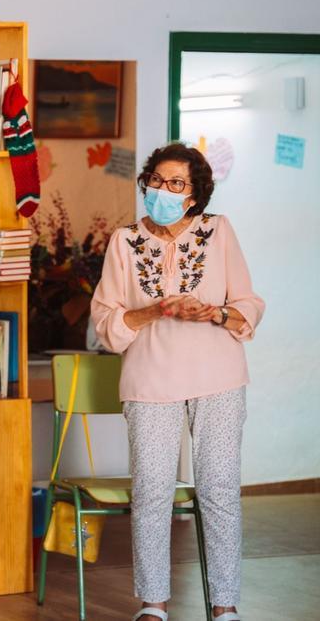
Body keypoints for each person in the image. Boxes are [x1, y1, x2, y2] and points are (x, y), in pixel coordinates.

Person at [91, 143, 265, 621]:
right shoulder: (123, 242)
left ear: (194, 195)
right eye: (156, 181)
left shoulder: (219, 231)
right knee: (151, 491)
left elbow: (249, 303)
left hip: (219, 378)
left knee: (220, 489)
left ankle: (225, 605)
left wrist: (216, 312)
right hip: (150, 381)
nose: (163, 191)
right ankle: (153, 604)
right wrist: (154, 310)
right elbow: (106, 324)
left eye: (176, 184)